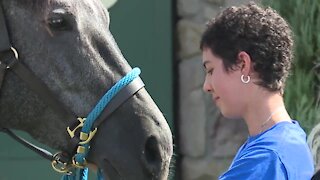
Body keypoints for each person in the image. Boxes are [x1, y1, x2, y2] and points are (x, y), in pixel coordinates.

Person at [200, 2, 314, 180]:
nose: (206, 85)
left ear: (243, 64)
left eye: (210, 70)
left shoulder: (266, 159)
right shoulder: (289, 139)